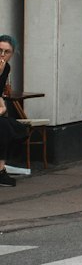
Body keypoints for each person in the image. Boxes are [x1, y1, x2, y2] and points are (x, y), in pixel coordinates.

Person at [0, 34, 28, 188]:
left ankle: (1, 169)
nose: (2, 55)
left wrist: (2, 107)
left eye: (6, 52)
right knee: (4, 127)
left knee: (15, 128)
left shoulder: (6, 68)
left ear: (12, 53)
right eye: (0, 50)